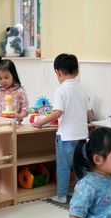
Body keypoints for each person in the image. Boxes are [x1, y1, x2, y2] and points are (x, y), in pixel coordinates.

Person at [33, 53, 91, 204]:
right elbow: (89, 112)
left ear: (58, 73)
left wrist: (40, 122)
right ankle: (81, 196)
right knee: (80, 169)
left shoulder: (61, 90)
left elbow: (57, 112)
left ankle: (61, 196)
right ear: (77, 71)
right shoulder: (83, 90)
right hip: (82, 137)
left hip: (66, 137)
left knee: (64, 168)